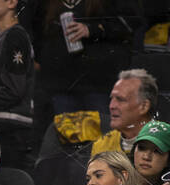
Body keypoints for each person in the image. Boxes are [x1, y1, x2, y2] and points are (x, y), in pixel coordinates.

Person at [29, 0, 139, 139]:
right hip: (61, 83)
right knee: (69, 144)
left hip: (98, 83)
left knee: (101, 143)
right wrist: (43, 58)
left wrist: (93, 29)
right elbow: (37, 28)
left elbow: (131, 21)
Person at [0, 0, 36, 172]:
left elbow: (14, 88)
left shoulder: (15, 36)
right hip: (1, 124)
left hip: (12, 128)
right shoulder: (0, 37)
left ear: (11, 2)